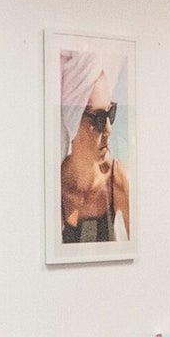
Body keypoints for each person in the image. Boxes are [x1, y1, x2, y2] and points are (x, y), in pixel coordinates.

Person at [58, 79, 131, 245]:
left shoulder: (117, 179)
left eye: (110, 113)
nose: (108, 131)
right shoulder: (54, 184)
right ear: (73, 118)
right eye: (98, 118)